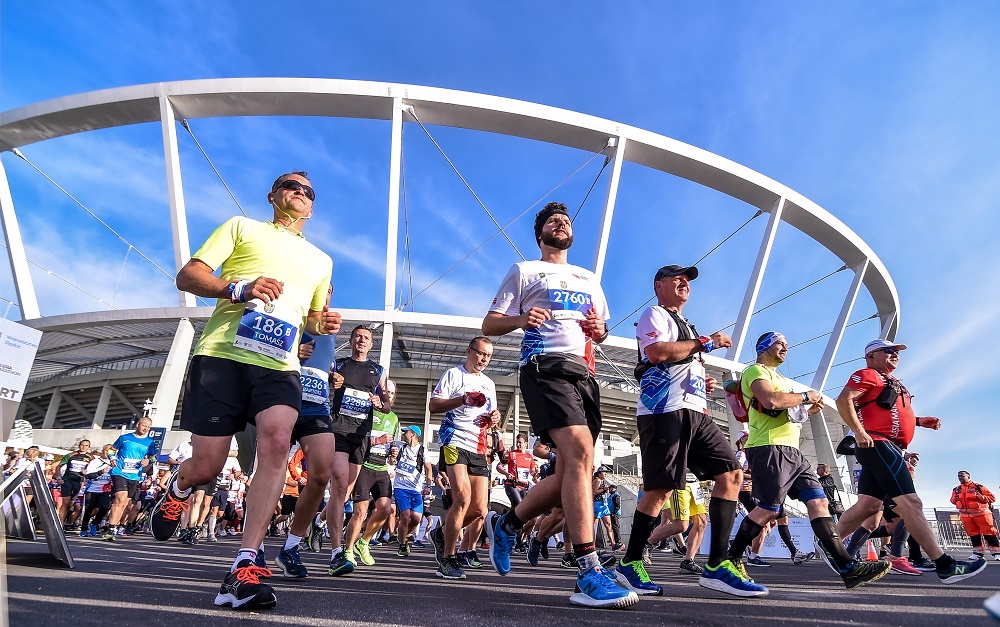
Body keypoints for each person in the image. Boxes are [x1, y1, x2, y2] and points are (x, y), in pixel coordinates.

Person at [148, 171, 340, 610]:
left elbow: (312, 317)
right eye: (291, 186)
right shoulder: (241, 227)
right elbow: (188, 276)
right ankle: (179, 488)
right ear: (272, 196)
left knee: (276, 441)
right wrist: (238, 288)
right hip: (222, 354)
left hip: (280, 364)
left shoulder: (321, 260)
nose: (300, 193)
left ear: (312, 206)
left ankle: (246, 564)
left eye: (309, 191)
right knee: (206, 466)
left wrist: (322, 324)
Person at [482, 202, 636, 609]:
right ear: (541, 234)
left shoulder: (589, 279)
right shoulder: (525, 271)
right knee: (582, 453)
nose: (561, 224)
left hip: (585, 375)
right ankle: (588, 570)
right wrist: (520, 320)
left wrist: (600, 330)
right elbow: (489, 324)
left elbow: (600, 329)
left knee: (575, 470)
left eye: (565, 221)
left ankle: (508, 522)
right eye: (552, 221)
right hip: (543, 366)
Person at [727, 331, 890, 590]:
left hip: (792, 451)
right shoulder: (756, 371)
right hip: (769, 446)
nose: (785, 348)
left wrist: (810, 407)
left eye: (787, 344)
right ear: (764, 347)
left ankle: (847, 567)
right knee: (769, 508)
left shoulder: (779, 377)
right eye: (780, 343)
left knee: (819, 502)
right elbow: (770, 400)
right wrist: (806, 396)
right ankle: (731, 559)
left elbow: (790, 413)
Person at [834, 339, 986, 585]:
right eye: (889, 351)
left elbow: (887, 412)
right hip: (877, 443)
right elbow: (843, 400)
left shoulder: (890, 382)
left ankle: (828, 543)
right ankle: (945, 565)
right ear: (871, 356)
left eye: (897, 352)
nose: (895, 354)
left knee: (869, 507)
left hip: (887, 445)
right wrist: (858, 431)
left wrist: (919, 421)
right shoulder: (867, 374)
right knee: (911, 503)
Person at [322, 325, 392, 576]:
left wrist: (380, 402)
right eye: (358, 337)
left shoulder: (378, 370)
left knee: (347, 490)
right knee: (340, 486)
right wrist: (332, 381)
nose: (362, 341)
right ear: (351, 340)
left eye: (367, 338)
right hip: (339, 430)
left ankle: (319, 524)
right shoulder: (338, 365)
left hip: (361, 435)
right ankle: (336, 552)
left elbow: (386, 404)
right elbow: (323, 382)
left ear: (371, 344)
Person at [429, 337, 500, 580]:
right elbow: (433, 406)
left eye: (488, 356)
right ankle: (447, 559)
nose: (483, 359)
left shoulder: (489, 384)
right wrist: (462, 399)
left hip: (478, 446)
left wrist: (494, 418)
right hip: (454, 439)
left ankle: (442, 533)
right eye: (480, 353)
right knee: (462, 498)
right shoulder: (453, 375)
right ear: (469, 351)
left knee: (480, 509)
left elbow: (490, 414)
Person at [272, 331, 338, 578]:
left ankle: (290, 547)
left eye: (329, 290)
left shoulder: (330, 336)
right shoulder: (292, 316)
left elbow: (321, 366)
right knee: (271, 472)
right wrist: (290, 354)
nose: (325, 296)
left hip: (317, 409)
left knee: (321, 476)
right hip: (282, 401)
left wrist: (334, 378)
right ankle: (252, 548)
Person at [343, 380, 400, 569]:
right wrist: (376, 441)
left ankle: (364, 542)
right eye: (386, 392)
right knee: (360, 512)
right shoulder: (367, 412)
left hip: (381, 468)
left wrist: (393, 454)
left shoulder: (394, 418)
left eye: (392, 393)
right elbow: (355, 440)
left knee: (385, 509)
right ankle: (348, 551)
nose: (388, 396)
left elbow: (392, 445)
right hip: (364, 466)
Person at [104, 417, 158, 540]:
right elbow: (111, 450)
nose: (146, 429)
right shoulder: (125, 438)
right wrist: (112, 458)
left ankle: (116, 525)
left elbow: (154, 457)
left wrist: (148, 460)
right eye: (144, 425)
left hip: (135, 475)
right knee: (120, 499)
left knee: (127, 504)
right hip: (119, 472)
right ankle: (110, 528)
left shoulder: (149, 442)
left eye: (149, 427)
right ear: (138, 424)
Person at [394, 426, 432, 556]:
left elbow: (428, 469)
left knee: (416, 519)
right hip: (400, 487)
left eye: (406, 431)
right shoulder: (400, 446)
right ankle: (403, 544)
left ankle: (403, 534)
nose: (404, 433)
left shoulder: (422, 450)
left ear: (413, 434)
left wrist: (428, 486)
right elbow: (391, 457)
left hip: (416, 488)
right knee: (405, 516)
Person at [950, 471, 1000, 560]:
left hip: (982, 514)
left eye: (962, 476)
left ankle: (997, 553)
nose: (960, 477)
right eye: (958, 476)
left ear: (968, 476)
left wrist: (981, 497)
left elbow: (992, 498)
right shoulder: (956, 489)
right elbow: (952, 501)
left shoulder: (978, 487)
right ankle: (978, 553)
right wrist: (955, 499)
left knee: (989, 532)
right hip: (966, 516)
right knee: (973, 534)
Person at [56, 439, 93, 528]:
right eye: (82, 445)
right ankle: (59, 525)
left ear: (89, 447)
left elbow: (93, 469)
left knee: (71, 504)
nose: (83, 447)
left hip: (79, 482)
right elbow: (59, 466)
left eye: (86, 445)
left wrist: (87, 472)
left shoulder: (90, 458)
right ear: (79, 445)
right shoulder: (70, 455)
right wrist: (58, 477)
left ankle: (65, 520)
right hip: (67, 480)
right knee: (65, 502)